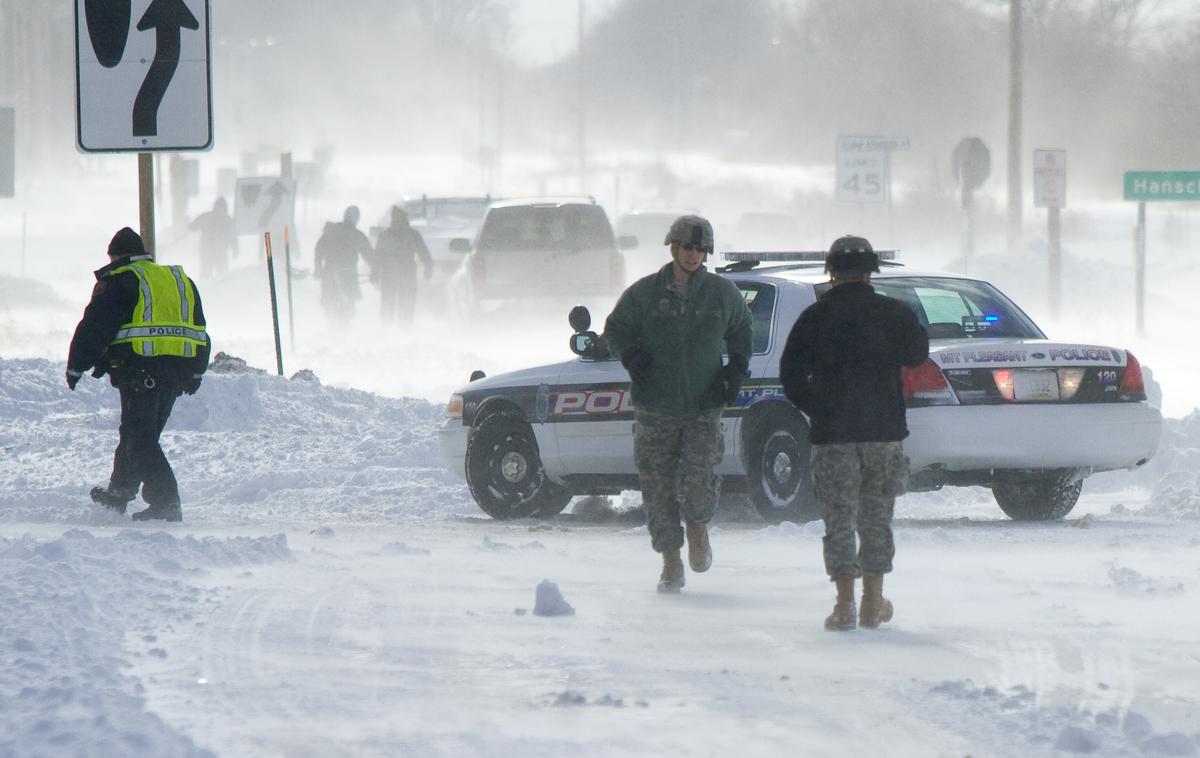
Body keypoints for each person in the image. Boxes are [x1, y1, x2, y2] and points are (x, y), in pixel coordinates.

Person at [779, 235, 929, 631]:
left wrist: (820, 408)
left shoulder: (813, 318)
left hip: (833, 437)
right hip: (883, 434)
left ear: (830, 272)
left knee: (839, 520)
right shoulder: (894, 314)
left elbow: (790, 377)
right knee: (876, 518)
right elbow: (917, 354)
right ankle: (873, 602)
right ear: (870, 272)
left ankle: (844, 603)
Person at [603, 215, 753, 592]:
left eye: (700, 249)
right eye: (688, 247)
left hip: (703, 404)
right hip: (656, 404)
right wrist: (632, 356)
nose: (693, 255)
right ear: (673, 247)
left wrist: (736, 370)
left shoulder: (721, 294)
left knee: (699, 476)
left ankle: (699, 527)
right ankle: (670, 558)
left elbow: (742, 331)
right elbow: (616, 329)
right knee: (657, 485)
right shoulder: (645, 293)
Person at [66, 227, 211, 522]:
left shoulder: (121, 280)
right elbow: (199, 329)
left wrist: (76, 365)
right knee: (138, 434)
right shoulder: (179, 280)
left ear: (118, 256)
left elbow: (95, 327)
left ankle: (166, 500)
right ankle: (119, 494)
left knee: (139, 438)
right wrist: (195, 372)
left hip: (140, 372)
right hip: (176, 374)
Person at [372, 206, 432, 324]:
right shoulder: (412, 234)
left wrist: (375, 273)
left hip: (392, 274)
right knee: (404, 303)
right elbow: (424, 253)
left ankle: (391, 328)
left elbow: (377, 257)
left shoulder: (385, 235)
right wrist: (428, 269)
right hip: (405, 273)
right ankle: (401, 329)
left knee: (391, 303)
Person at [313, 205, 372, 324]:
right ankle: (342, 326)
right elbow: (369, 255)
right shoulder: (357, 235)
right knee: (348, 304)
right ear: (356, 219)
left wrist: (318, 268)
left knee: (330, 303)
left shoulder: (331, 232)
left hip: (329, 274)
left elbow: (319, 249)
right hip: (348, 275)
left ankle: (333, 325)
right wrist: (377, 269)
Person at [190, 196, 237, 279]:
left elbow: (233, 237)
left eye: (222, 207)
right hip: (207, 252)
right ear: (215, 207)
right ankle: (206, 288)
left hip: (220, 253)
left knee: (222, 275)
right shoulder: (207, 217)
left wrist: (235, 249)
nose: (220, 209)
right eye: (219, 207)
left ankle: (220, 290)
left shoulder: (227, 221)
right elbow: (193, 226)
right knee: (206, 274)